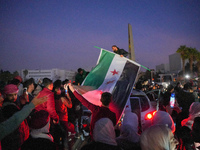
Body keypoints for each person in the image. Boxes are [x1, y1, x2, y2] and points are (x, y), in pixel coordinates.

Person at [0, 84, 29, 150]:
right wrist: (26, 103)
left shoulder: (11, 105)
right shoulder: (9, 107)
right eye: (11, 95)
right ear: (5, 95)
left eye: (15, 94)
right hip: (13, 139)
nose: (14, 97)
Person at [53, 80, 72, 150]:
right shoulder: (62, 99)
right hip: (63, 119)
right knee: (65, 136)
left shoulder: (52, 98)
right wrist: (68, 95)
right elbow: (70, 105)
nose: (60, 90)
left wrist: (66, 91)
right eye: (59, 89)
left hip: (56, 119)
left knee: (57, 136)